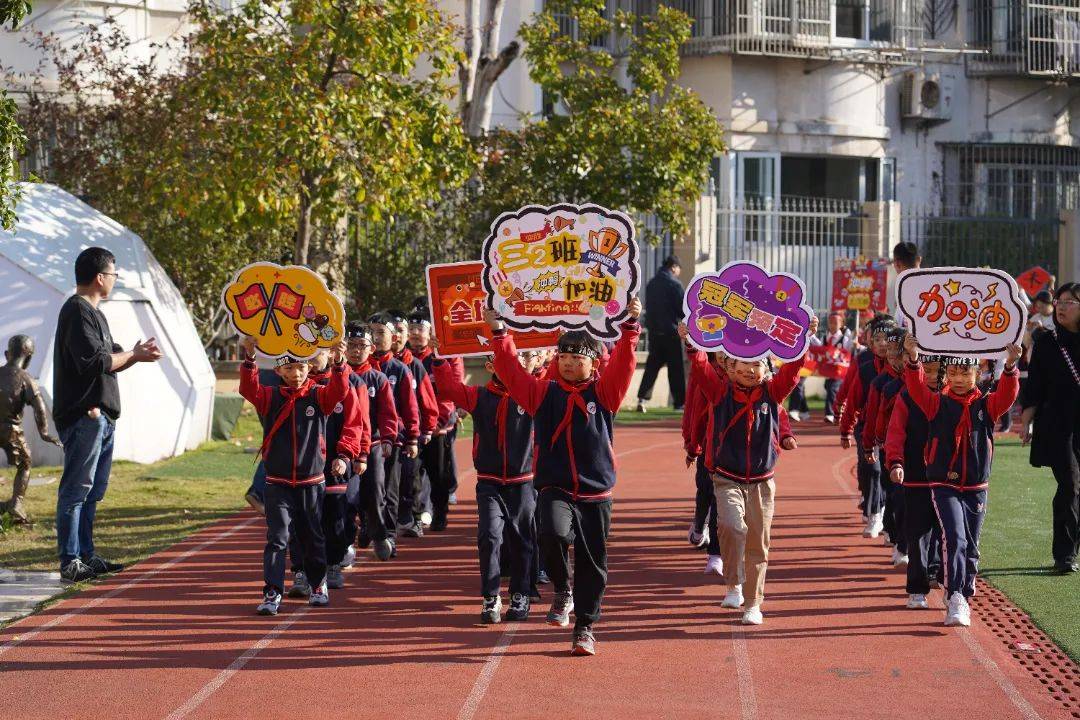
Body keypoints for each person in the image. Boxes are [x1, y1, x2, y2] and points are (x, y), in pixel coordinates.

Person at [484, 298, 641, 656]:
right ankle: (562, 589)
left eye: (578, 358)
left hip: (595, 492)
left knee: (593, 561)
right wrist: (498, 331)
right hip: (554, 485)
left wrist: (631, 325)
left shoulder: (604, 393)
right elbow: (510, 371)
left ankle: (585, 625)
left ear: (592, 362)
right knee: (552, 533)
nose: (570, 364)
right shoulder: (543, 393)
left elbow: (624, 366)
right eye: (565, 357)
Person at [679, 316, 813, 625]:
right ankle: (733, 583)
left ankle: (753, 602)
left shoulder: (772, 393)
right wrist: (690, 341)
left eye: (756, 365)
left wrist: (804, 338)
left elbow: (793, 372)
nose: (748, 370)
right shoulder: (718, 391)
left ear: (767, 370)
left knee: (757, 542)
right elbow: (700, 368)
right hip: (726, 479)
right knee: (731, 527)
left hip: (762, 482)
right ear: (728, 366)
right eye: (741, 363)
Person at [52, 247, 162, 582]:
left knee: (93, 489)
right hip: (85, 416)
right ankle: (70, 560)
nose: (114, 280)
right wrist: (133, 354)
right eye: (113, 274)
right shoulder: (77, 311)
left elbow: (109, 356)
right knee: (76, 489)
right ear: (100, 277)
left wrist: (134, 354)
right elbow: (95, 362)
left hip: (102, 418)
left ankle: (86, 554)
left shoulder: (94, 314)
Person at [900, 334, 1021, 626]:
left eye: (965, 372)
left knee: (972, 545)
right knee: (955, 538)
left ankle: (965, 584)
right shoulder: (936, 403)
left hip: (976, 486)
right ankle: (957, 598)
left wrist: (1011, 365)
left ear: (976, 373)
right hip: (944, 484)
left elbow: (1008, 395)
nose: (958, 378)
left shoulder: (986, 405)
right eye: (952, 372)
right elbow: (915, 387)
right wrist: (914, 357)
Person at [239, 335, 352, 616]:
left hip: (311, 482)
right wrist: (249, 357)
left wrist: (339, 362)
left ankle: (317, 585)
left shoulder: (319, 394)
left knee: (312, 535)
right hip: (277, 483)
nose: (296, 373)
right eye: (289, 368)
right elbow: (248, 388)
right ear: (278, 370)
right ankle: (272, 593)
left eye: (301, 367)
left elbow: (340, 391)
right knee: (277, 539)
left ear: (309, 367)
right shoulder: (269, 396)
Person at [432, 351, 540, 623]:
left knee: (522, 540)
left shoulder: (531, 394)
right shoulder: (479, 395)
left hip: (523, 482)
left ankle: (521, 594)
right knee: (490, 536)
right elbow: (447, 389)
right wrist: (440, 358)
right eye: (503, 363)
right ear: (491, 365)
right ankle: (491, 596)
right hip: (490, 483)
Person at [1019, 282, 1080, 574]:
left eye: (1070, 301)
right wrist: (1027, 421)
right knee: (1069, 483)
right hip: (1057, 424)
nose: (1062, 306)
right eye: (1060, 300)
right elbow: (1036, 386)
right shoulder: (1047, 341)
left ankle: (1072, 546)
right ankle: (1064, 555)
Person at [885, 352, 945, 609]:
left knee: (948, 534)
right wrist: (896, 462)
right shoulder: (908, 397)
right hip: (917, 478)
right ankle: (917, 589)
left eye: (938, 371)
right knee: (917, 535)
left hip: (948, 481)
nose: (933, 377)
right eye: (927, 370)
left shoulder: (955, 397)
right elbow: (895, 432)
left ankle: (945, 580)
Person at [839, 314, 895, 537]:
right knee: (871, 469)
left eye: (888, 340)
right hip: (868, 429)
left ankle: (893, 525)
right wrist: (846, 430)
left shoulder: (902, 369)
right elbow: (853, 402)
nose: (883, 344)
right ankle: (875, 515)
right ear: (870, 343)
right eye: (878, 340)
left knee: (890, 476)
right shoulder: (864, 367)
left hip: (895, 431)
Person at [408, 305, 462, 532]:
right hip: (412, 429)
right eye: (412, 328)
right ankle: (417, 515)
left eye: (420, 328)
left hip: (438, 428)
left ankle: (440, 512)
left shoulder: (440, 356)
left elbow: (450, 390)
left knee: (438, 472)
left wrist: (439, 421)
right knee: (411, 474)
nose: (415, 333)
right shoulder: (406, 359)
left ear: (430, 331)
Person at [0, 335, 63, 523]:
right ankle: (16, 504)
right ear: (28, 358)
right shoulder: (26, 378)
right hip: (11, 429)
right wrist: (44, 433)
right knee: (25, 463)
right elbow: (40, 407)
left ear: (7, 354)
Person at [861, 327, 909, 566]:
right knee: (895, 495)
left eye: (897, 351)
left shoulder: (924, 381)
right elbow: (871, 417)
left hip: (921, 449)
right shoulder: (882, 384)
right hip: (891, 449)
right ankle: (899, 541)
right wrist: (869, 445)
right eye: (889, 350)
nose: (891, 355)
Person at [636, 256, 685, 413]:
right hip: (671, 333)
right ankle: (679, 404)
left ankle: (642, 399)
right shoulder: (675, 284)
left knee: (651, 367)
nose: (678, 273)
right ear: (674, 267)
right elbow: (682, 309)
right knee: (676, 369)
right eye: (678, 270)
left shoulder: (651, 283)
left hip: (654, 332)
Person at [809, 312, 854, 423]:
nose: (832, 325)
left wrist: (855, 345)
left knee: (832, 388)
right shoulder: (825, 337)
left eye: (835, 322)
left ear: (841, 324)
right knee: (829, 387)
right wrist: (810, 334)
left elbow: (850, 350)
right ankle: (842, 410)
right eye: (830, 322)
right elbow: (819, 347)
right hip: (828, 370)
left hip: (840, 371)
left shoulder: (845, 339)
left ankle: (831, 413)